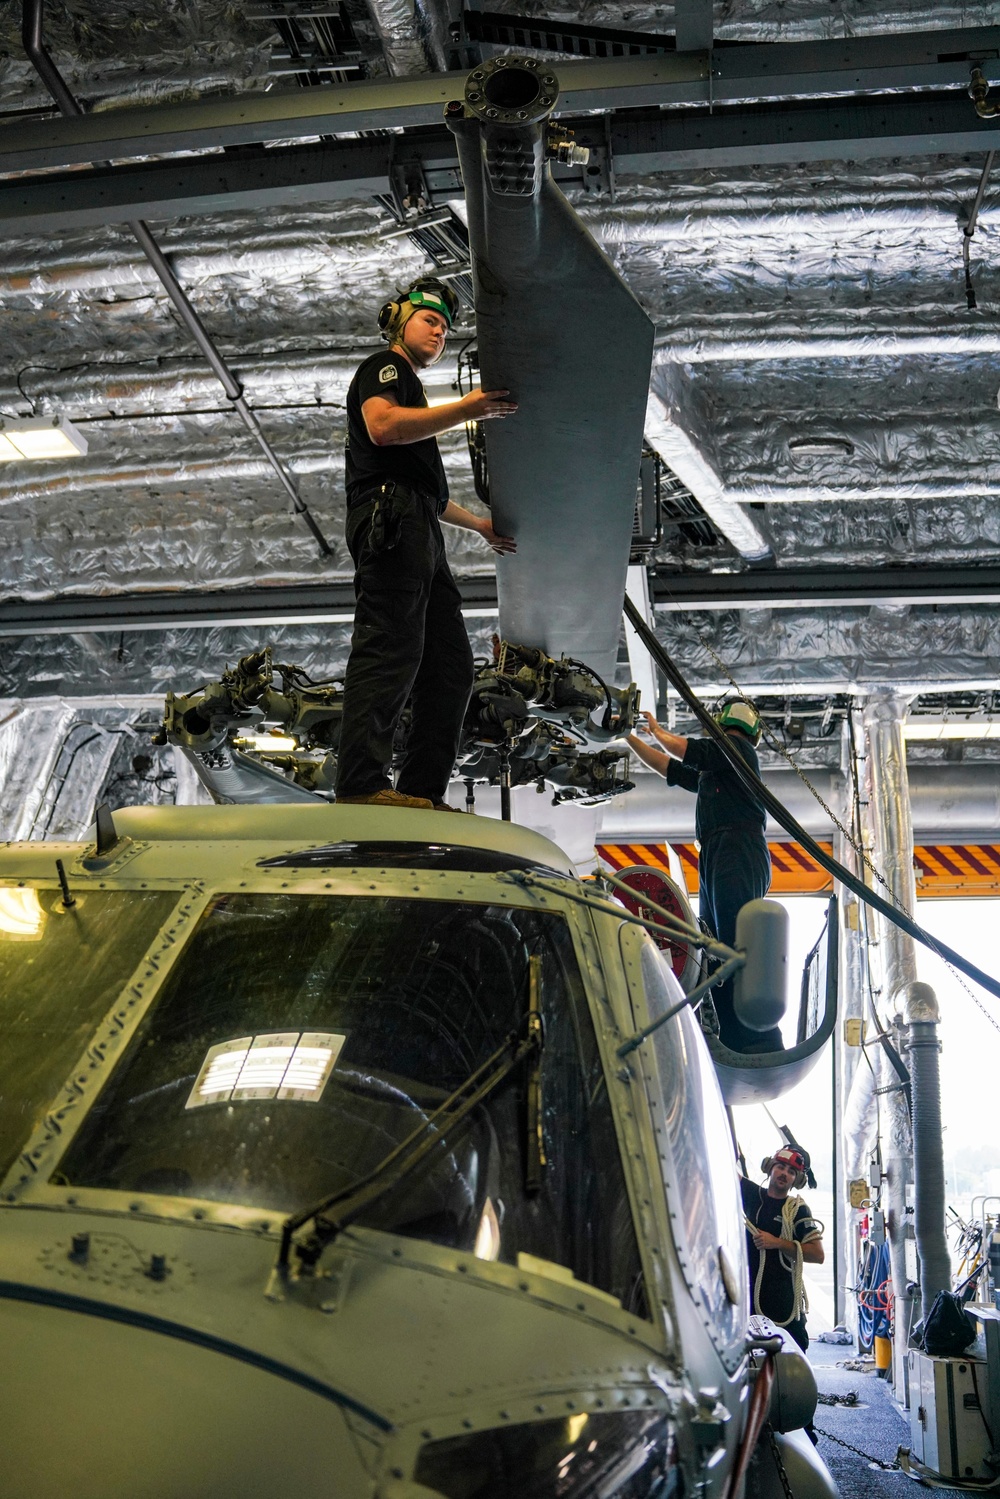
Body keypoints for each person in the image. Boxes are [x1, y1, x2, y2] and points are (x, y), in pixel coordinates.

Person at [336, 277, 518, 810]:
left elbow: (431, 496)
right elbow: (383, 427)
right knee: (390, 648)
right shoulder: (384, 368)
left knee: (450, 666)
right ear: (399, 320)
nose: (439, 333)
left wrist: (481, 526)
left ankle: (420, 791)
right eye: (429, 320)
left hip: (418, 522)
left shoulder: (413, 395)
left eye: (445, 327)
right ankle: (361, 786)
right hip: (392, 519)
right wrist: (469, 409)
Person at [626, 700, 777, 1052]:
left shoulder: (735, 751)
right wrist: (630, 738)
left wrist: (656, 730)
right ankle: (728, 1023)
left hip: (736, 847)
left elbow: (687, 751)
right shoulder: (720, 770)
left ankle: (744, 1031)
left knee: (729, 940)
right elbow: (670, 768)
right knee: (713, 939)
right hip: (719, 850)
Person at [741, 1145, 824, 1351]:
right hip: (748, 1291)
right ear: (769, 1168)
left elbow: (817, 1254)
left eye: (791, 1172)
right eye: (780, 1167)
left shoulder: (797, 1209)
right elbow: (722, 1167)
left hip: (782, 1295)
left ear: (797, 1180)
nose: (784, 1174)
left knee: (794, 1350)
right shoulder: (752, 1195)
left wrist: (776, 1242)